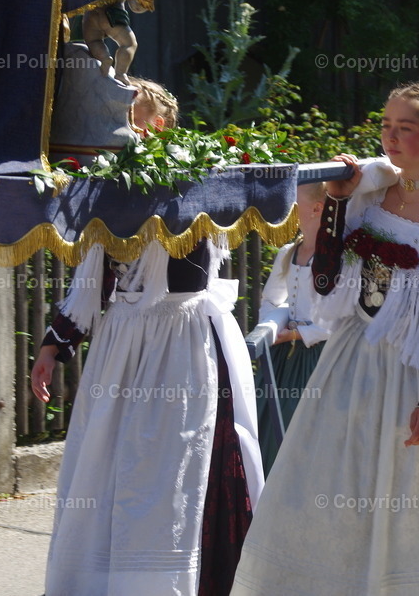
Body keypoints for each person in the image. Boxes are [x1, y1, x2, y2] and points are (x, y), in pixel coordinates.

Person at [232, 82, 419, 595]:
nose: (392, 138)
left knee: (396, 503)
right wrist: (336, 201)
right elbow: (328, 280)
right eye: (386, 126)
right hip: (351, 360)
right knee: (321, 491)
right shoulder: (369, 194)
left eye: (406, 129)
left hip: (411, 372)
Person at [31, 87, 263, 596]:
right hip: (122, 344)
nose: (128, 130)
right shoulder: (106, 188)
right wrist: (54, 345)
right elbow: (90, 281)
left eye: (139, 120)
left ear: (163, 127)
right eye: (121, 119)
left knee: (174, 467)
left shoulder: (196, 182)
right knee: (106, 464)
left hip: (180, 342)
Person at [254, 181, 330, 473]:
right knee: (270, 426)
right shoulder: (289, 252)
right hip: (283, 355)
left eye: (293, 201)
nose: (287, 208)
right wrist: (272, 328)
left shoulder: (336, 257)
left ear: (316, 208)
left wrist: (300, 333)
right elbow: (272, 299)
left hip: (318, 357)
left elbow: (344, 319)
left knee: (305, 432)